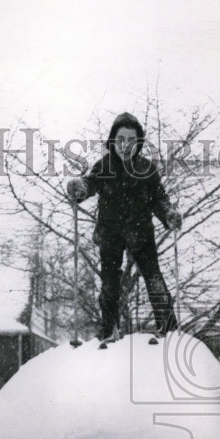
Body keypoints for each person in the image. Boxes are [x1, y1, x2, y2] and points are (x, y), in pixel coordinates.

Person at [66, 111, 182, 343]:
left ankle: (168, 328)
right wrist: (79, 187)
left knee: (153, 277)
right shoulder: (105, 166)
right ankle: (109, 330)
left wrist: (168, 214)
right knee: (110, 282)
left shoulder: (147, 169)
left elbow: (159, 199)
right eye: (121, 139)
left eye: (131, 140)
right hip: (110, 232)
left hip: (140, 231)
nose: (125, 145)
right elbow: (91, 183)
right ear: (113, 141)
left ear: (138, 143)